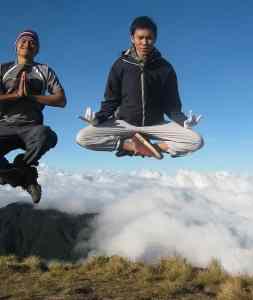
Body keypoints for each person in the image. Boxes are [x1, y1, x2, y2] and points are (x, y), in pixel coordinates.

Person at [76, 16, 204, 159]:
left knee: (196, 140)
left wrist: (183, 120)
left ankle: (152, 148)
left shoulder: (165, 68)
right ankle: (130, 146)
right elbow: (111, 100)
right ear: (132, 38)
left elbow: (172, 105)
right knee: (83, 137)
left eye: (149, 38)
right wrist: (98, 119)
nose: (144, 42)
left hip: (156, 125)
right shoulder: (120, 65)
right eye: (140, 38)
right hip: (125, 124)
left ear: (155, 39)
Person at [0, 30, 66, 203]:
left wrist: (30, 96)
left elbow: (61, 100)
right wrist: (14, 95)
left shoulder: (44, 71)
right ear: (15, 45)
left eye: (32, 42)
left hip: (32, 128)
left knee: (47, 136)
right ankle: (24, 177)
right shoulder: (3, 69)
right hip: (4, 126)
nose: (27, 44)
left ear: (37, 49)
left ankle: (16, 169)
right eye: (23, 41)